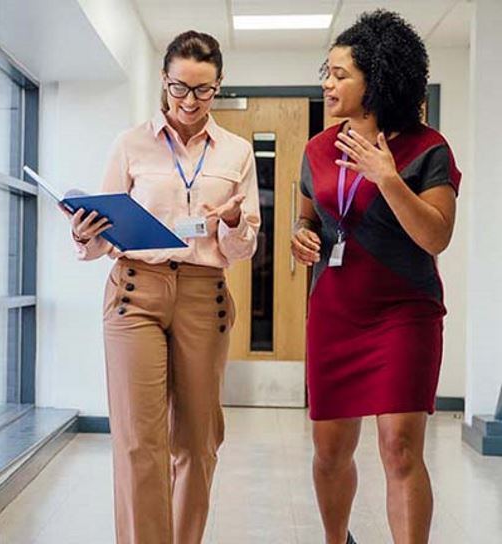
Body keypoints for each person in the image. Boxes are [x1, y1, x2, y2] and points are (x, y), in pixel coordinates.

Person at [64, 30, 260, 544]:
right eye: (180, 88)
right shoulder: (130, 144)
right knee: (138, 443)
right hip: (135, 293)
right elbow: (99, 239)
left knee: (198, 443)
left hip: (205, 293)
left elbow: (243, 250)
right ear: (164, 81)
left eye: (203, 90)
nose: (190, 102)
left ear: (218, 86)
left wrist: (235, 222)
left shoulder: (236, 153)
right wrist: (84, 236)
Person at [291, 10, 460, 544]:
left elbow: (435, 236)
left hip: (403, 312)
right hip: (335, 312)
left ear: (378, 80)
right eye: (328, 72)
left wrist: (386, 177)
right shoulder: (317, 149)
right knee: (328, 452)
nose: (328, 83)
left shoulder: (427, 148)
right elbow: (306, 217)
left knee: (400, 447)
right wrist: (300, 235)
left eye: (341, 74)